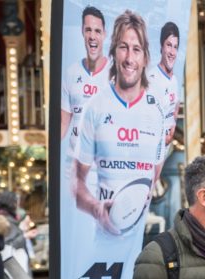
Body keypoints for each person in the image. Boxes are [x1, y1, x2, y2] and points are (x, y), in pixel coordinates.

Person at [72, 9, 165, 235]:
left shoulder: (156, 112)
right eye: (123, 47)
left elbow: (153, 178)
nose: (129, 58)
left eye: (136, 49)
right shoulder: (95, 106)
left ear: (145, 58)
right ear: (113, 51)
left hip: (140, 238)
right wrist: (96, 208)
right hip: (98, 237)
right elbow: (76, 182)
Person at [60, 6, 108, 147]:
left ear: (104, 34)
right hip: (75, 162)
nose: (92, 36)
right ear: (82, 31)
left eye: (97, 31)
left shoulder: (116, 73)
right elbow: (63, 122)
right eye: (88, 30)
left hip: (104, 165)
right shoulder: (71, 72)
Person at [146, 21, 180, 145]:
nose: (172, 52)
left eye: (175, 47)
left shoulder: (174, 80)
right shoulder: (151, 79)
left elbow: (174, 112)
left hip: (166, 149)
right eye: (169, 45)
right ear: (161, 46)